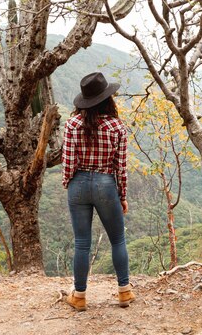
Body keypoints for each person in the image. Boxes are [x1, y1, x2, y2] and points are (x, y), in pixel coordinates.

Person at [61, 72, 134, 311]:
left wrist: (69, 184)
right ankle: (124, 292)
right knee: (118, 240)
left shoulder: (72, 124)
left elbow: (68, 162)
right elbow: (120, 167)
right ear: (107, 99)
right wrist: (122, 196)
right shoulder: (117, 127)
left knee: (82, 243)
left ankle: (79, 297)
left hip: (78, 183)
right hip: (106, 184)